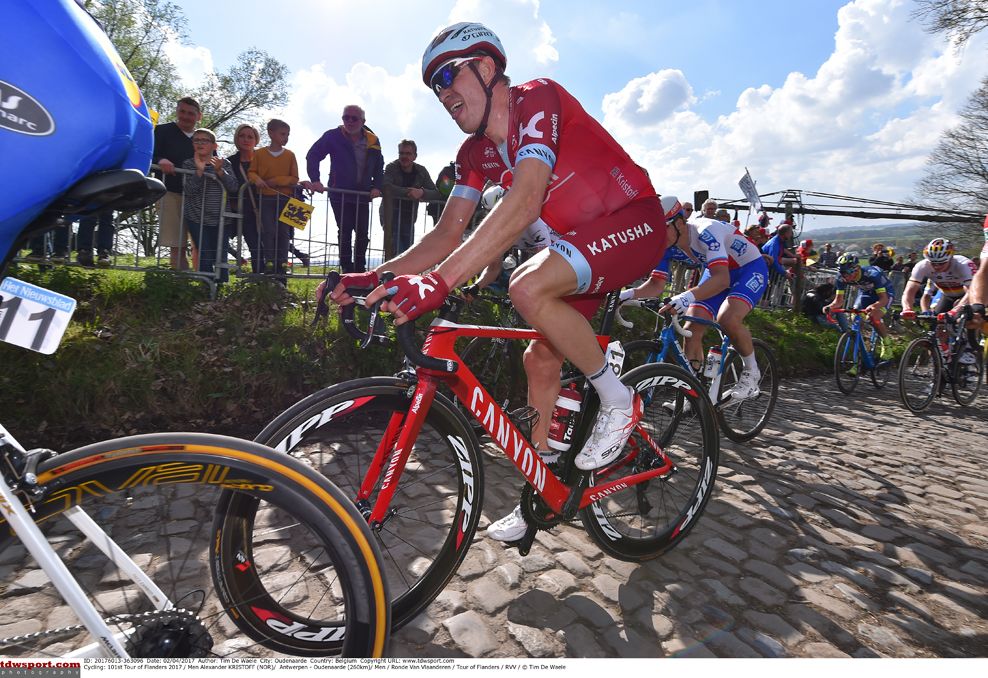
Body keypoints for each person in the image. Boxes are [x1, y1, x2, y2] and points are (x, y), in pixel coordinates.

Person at [324, 21, 665, 543]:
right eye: (432, 87)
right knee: (538, 361)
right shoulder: (474, 155)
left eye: (446, 76)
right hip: (577, 251)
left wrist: (437, 285)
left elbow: (526, 198)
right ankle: (545, 490)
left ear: (485, 68)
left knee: (526, 286)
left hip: (633, 223)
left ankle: (619, 399)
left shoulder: (538, 100)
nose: (442, 94)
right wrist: (380, 274)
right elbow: (445, 235)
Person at [622, 195, 769, 399]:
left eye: (661, 228)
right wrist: (625, 295)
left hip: (748, 268)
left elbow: (722, 280)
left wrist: (685, 298)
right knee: (691, 328)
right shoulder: (666, 245)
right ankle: (694, 395)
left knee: (727, 318)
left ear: (680, 223)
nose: (656, 235)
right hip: (717, 270)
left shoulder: (706, 230)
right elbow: (656, 285)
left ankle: (751, 372)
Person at [303, 105, 384, 273]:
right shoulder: (332, 136)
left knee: (362, 233)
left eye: (354, 118)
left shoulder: (373, 140)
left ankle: (360, 270)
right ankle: (347, 269)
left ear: (363, 121)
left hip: (362, 194)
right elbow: (313, 155)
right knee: (345, 230)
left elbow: (378, 165)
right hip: (338, 193)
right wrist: (315, 180)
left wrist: (377, 186)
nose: (350, 121)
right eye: (346, 117)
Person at [181, 128, 237, 283]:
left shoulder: (224, 163)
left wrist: (220, 172)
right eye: (196, 140)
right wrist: (199, 171)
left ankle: (220, 288)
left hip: (221, 219)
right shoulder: (188, 164)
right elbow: (189, 190)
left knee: (221, 255)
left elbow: (233, 187)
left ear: (214, 146)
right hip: (197, 217)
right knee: (204, 254)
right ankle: (207, 288)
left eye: (204, 140)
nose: (199, 143)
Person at [152, 96, 202, 270]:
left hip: (197, 197)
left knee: (200, 240)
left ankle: (202, 278)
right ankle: (179, 276)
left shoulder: (202, 137)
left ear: (198, 116)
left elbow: (213, 160)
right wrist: (161, 160)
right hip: (169, 192)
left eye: (190, 113)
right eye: (182, 111)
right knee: (176, 240)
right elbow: (149, 154)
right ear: (177, 111)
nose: (186, 116)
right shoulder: (162, 131)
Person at [249, 119, 299, 278]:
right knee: (268, 231)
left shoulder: (290, 155)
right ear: (271, 133)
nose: (286, 137)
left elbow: (294, 178)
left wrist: (276, 181)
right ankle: (269, 262)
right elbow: (252, 172)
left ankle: (282, 263)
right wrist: (256, 179)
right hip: (266, 198)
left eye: (288, 135)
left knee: (284, 232)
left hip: (285, 198)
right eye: (283, 134)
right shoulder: (259, 154)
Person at [380, 140, 440, 258]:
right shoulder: (391, 167)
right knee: (395, 251)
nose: (404, 156)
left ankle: (402, 276)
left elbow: (436, 193)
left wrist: (422, 192)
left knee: (407, 252)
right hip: (390, 216)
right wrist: (410, 192)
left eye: (408, 153)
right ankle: (390, 275)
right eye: (401, 153)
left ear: (415, 156)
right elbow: (386, 187)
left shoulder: (421, 171)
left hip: (409, 218)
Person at [822, 254, 893, 349]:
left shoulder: (872, 274)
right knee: (855, 315)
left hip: (885, 293)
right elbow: (838, 301)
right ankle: (860, 347)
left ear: (857, 268)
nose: (845, 276)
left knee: (874, 318)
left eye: (848, 272)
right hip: (866, 292)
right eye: (842, 272)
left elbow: (883, 299)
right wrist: (830, 307)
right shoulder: (840, 278)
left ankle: (887, 345)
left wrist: (874, 306)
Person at [899, 238, 976, 317]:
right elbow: (910, 291)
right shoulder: (922, 266)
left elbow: (972, 291)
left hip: (968, 295)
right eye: (933, 263)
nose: (937, 266)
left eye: (941, 263)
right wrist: (907, 309)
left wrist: (956, 310)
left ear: (950, 258)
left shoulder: (963, 264)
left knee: (969, 319)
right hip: (947, 296)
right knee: (937, 322)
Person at [226, 123, 262, 272]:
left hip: (265, 209)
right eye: (242, 136)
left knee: (268, 246)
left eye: (250, 136)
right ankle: (258, 280)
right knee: (254, 245)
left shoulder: (264, 158)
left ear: (256, 140)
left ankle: (271, 280)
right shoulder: (230, 162)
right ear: (236, 138)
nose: (246, 139)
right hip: (242, 212)